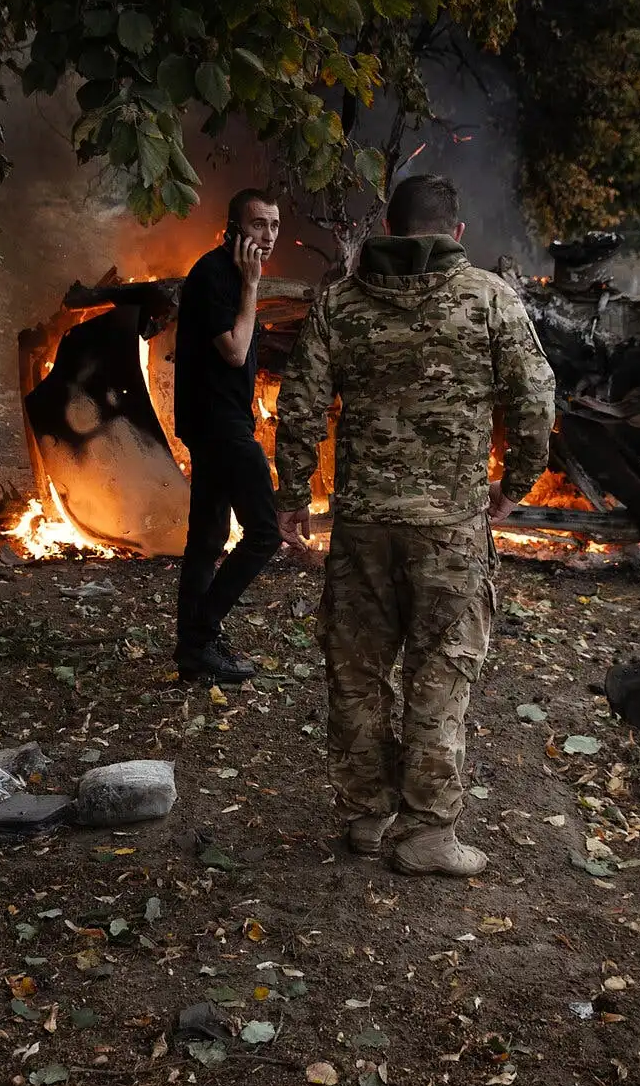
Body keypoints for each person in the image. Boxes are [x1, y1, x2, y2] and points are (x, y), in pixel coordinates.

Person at [274, 174, 555, 878]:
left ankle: (369, 816)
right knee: (441, 674)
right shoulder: (491, 300)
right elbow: (534, 403)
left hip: (364, 526)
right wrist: (513, 487)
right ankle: (428, 829)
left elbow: (300, 407)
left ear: (388, 226)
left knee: (357, 673)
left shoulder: (338, 303)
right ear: (454, 233)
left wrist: (291, 497)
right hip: (451, 531)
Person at [171, 188, 287, 683]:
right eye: (258, 224)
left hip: (222, 421)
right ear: (233, 228)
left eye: (275, 225)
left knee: (208, 537)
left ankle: (194, 651)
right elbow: (236, 352)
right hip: (216, 425)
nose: (268, 235)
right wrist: (253, 287)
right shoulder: (215, 275)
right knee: (264, 533)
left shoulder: (231, 274)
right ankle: (199, 638)